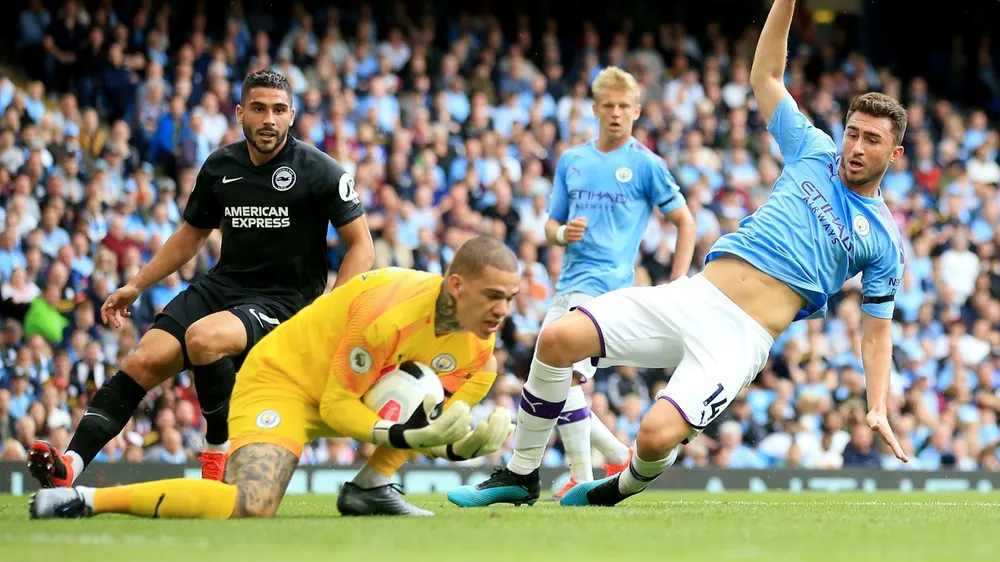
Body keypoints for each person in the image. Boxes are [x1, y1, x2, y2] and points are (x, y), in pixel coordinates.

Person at [447, 0, 909, 509]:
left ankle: (619, 487)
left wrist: (877, 405)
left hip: (741, 339)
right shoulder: (814, 151)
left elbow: (876, 329)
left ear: (894, 154)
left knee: (654, 437)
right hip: (696, 295)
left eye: (871, 140)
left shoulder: (883, 239)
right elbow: (766, 75)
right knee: (556, 339)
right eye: (853, 133)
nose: (856, 147)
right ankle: (521, 473)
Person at [27, 69, 376, 488]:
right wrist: (137, 284)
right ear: (239, 112)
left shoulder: (321, 171)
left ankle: (216, 450)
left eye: (279, 110)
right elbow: (191, 236)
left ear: (292, 115)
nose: (269, 119)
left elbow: (362, 245)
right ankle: (70, 466)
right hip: (221, 288)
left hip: (282, 302)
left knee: (204, 340)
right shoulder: (220, 166)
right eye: (260, 108)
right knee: (142, 361)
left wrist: (330, 315)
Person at [29, 236, 521, 520]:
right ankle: (83, 499)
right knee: (250, 505)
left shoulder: (480, 348)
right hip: (282, 383)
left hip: (354, 394)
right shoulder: (387, 314)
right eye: (494, 296)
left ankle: (371, 487)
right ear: (456, 285)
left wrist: (455, 447)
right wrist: (408, 432)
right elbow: (335, 407)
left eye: (511, 299)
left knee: (432, 390)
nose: (502, 311)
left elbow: (423, 416)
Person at [509, 67, 698, 502]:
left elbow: (684, 221)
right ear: (595, 109)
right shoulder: (573, 161)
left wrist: (677, 280)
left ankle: (581, 472)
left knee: (564, 376)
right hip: (568, 283)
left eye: (623, 107)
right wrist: (561, 234)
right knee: (551, 378)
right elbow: (550, 224)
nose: (615, 114)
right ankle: (614, 454)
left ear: (636, 111)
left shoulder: (647, 165)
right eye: (607, 106)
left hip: (607, 288)